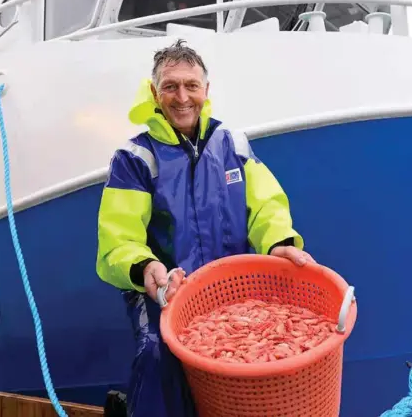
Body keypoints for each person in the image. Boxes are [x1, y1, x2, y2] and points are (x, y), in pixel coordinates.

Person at [95, 39, 314, 417]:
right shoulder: (134, 158)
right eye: (171, 86)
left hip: (230, 290)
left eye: (191, 86)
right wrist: (146, 268)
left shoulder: (232, 144)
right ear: (154, 92)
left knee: (247, 357)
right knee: (156, 353)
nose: (182, 97)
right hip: (163, 291)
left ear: (206, 91)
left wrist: (277, 243)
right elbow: (118, 239)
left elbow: (266, 206)